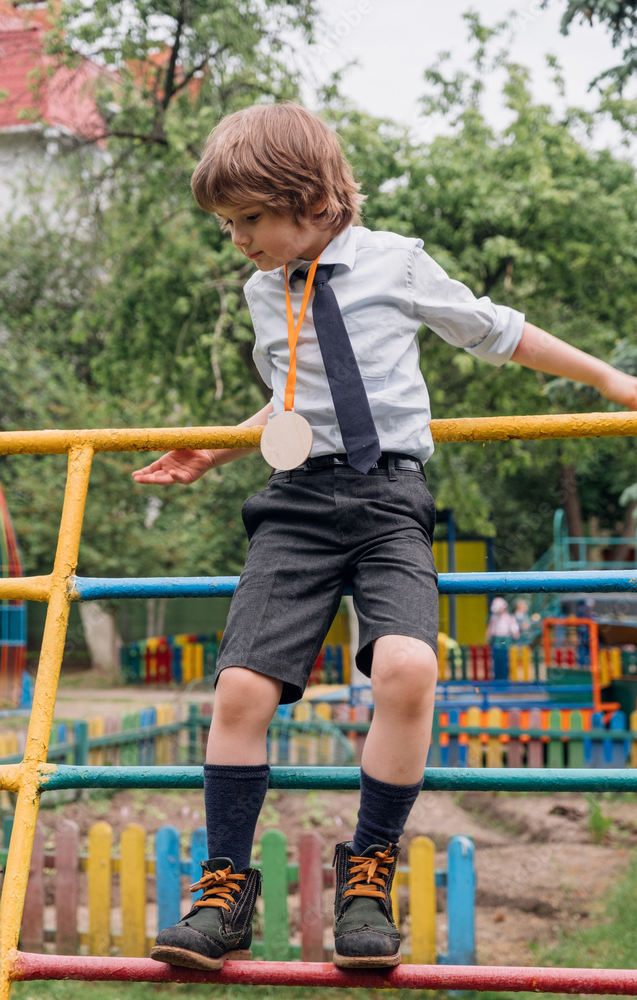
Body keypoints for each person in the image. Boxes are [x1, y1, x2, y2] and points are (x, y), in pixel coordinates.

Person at [132, 102, 637, 971]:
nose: (237, 240)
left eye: (249, 218)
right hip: (293, 503)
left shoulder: (395, 264)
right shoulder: (263, 293)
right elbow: (292, 401)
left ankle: (368, 878)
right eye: (226, 224)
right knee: (242, 690)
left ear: (312, 198)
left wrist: (602, 375)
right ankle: (223, 892)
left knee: (407, 666)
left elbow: (496, 330)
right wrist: (213, 452)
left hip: (387, 498)